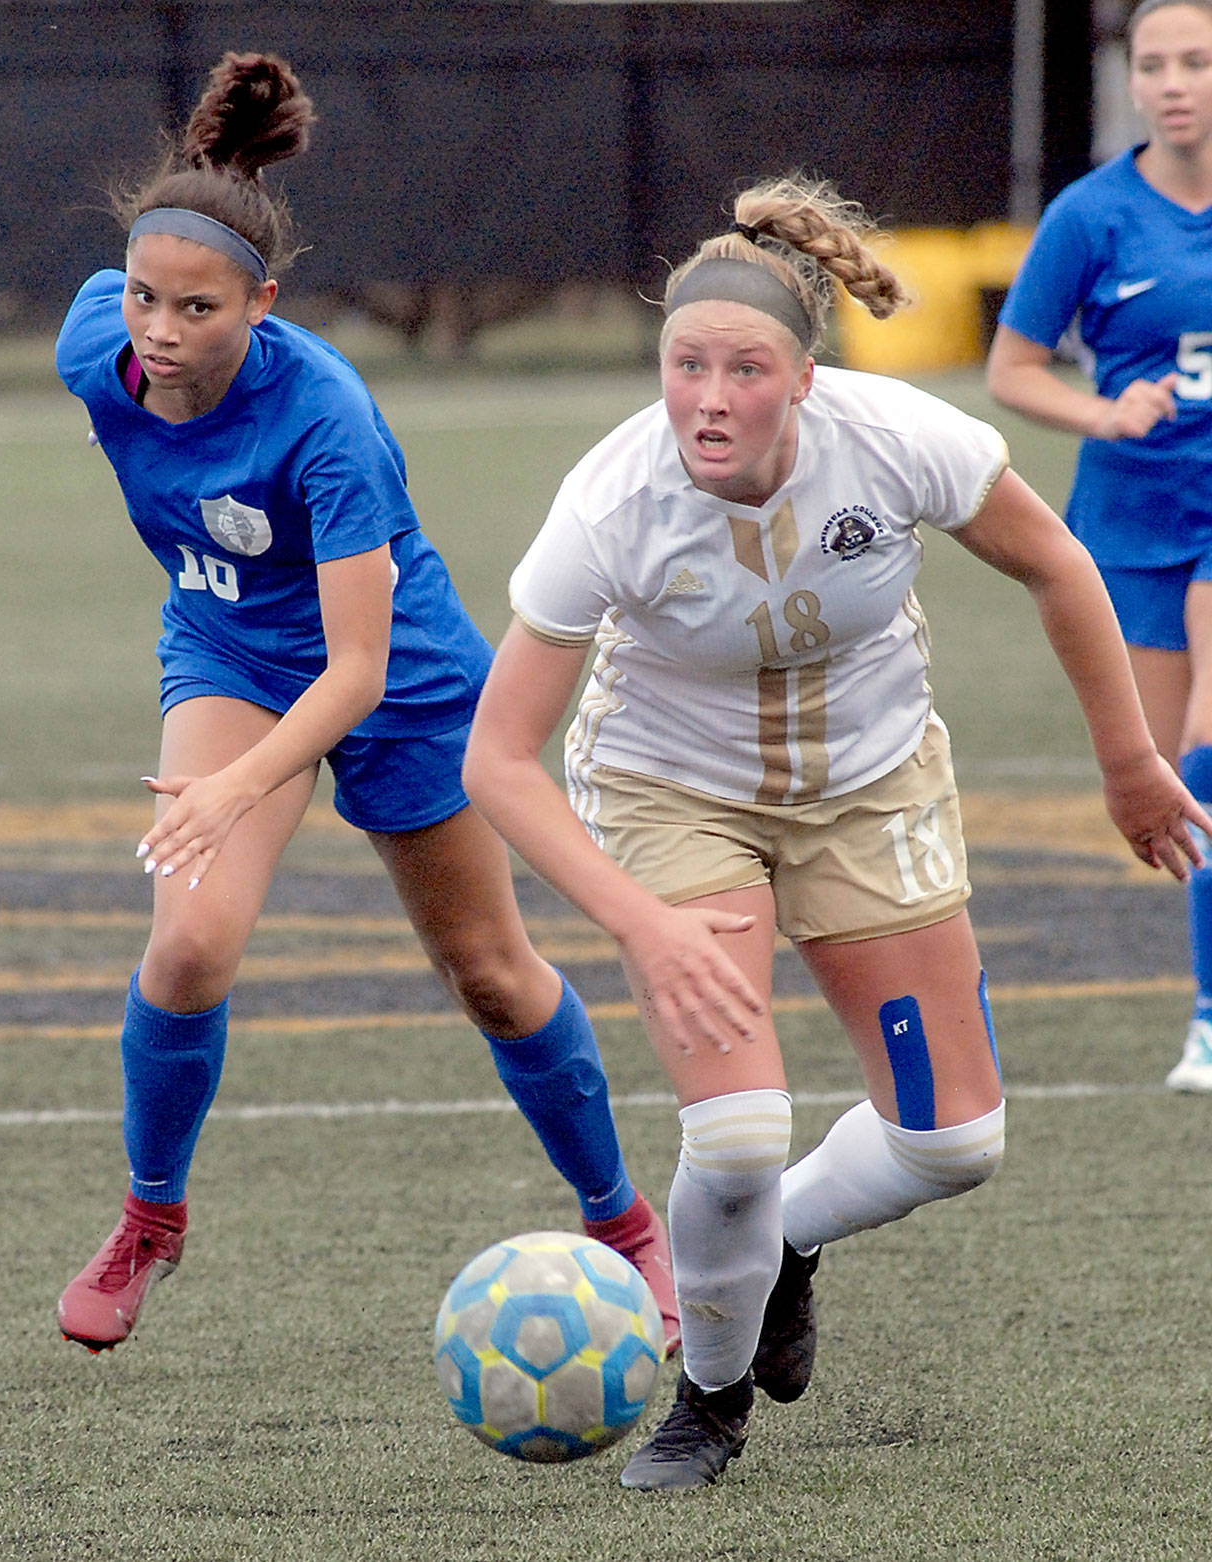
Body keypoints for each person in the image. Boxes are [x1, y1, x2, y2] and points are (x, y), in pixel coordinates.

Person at [461, 172, 1211, 1491]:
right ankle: (706, 1394)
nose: (704, 396)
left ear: (803, 379)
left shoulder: (896, 438)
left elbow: (1058, 564)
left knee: (951, 1142)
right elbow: (497, 760)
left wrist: (1132, 765)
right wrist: (644, 924)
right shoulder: (613, 500)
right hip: (671, 796)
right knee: (739, 1132)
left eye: (741, 368)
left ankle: (792, 1240)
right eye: (682, 364)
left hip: (870, 782)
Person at [52, 51, 678, 1356]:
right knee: (187, 947)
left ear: (262, 305)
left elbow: (359, 669)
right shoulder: (92, 345)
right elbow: (126, 328)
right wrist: (232, 768)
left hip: (391, 676)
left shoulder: (327, 416)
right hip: (229, 654)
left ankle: (624, 1222)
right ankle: (151, 1217)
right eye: (143, 299)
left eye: (197, 309)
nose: (158, 332)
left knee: (495, 976)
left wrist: (234, 785)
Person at [987, 0, 1212, 1093]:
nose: (1172, 82)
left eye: (1195, 61)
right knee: (1169, 778)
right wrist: (1104, 413)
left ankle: (1210, 1020)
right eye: (1152, 63)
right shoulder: (1089, 216)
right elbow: (1010, 370)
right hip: (1130, 521)